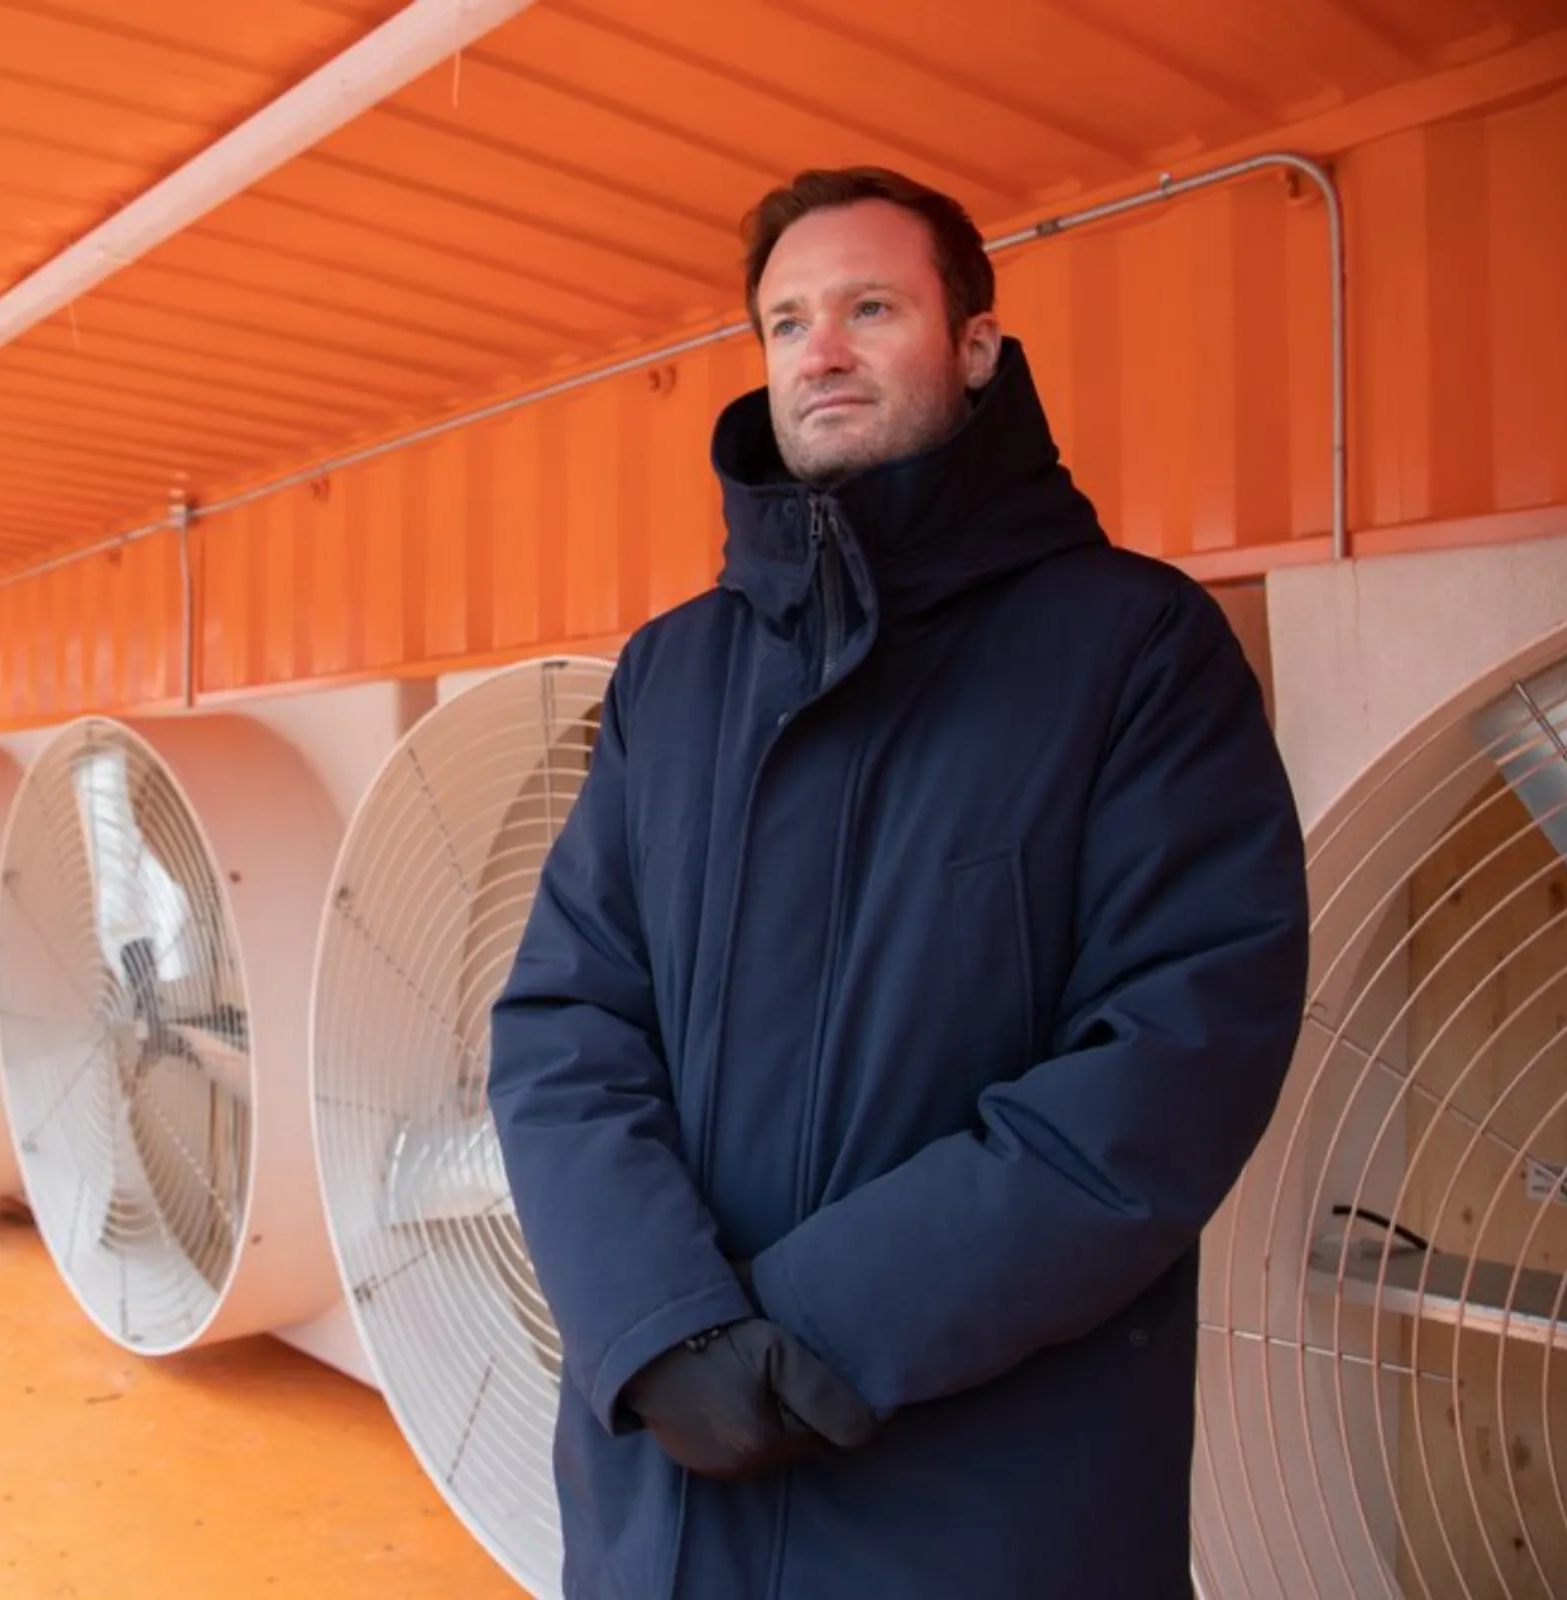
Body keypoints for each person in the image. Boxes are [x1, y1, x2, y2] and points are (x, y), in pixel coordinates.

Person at [486, 166, 1312, 1599]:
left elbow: (1173, 1057)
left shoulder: (1134, 652)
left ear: (975, 347)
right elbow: (564, 1025)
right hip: (665, 1507)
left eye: (871, 305)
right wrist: (663, 1327)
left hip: (980, 1502)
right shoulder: (674, 675)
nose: (821, 349)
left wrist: (813, 1341)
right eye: (788, 320)